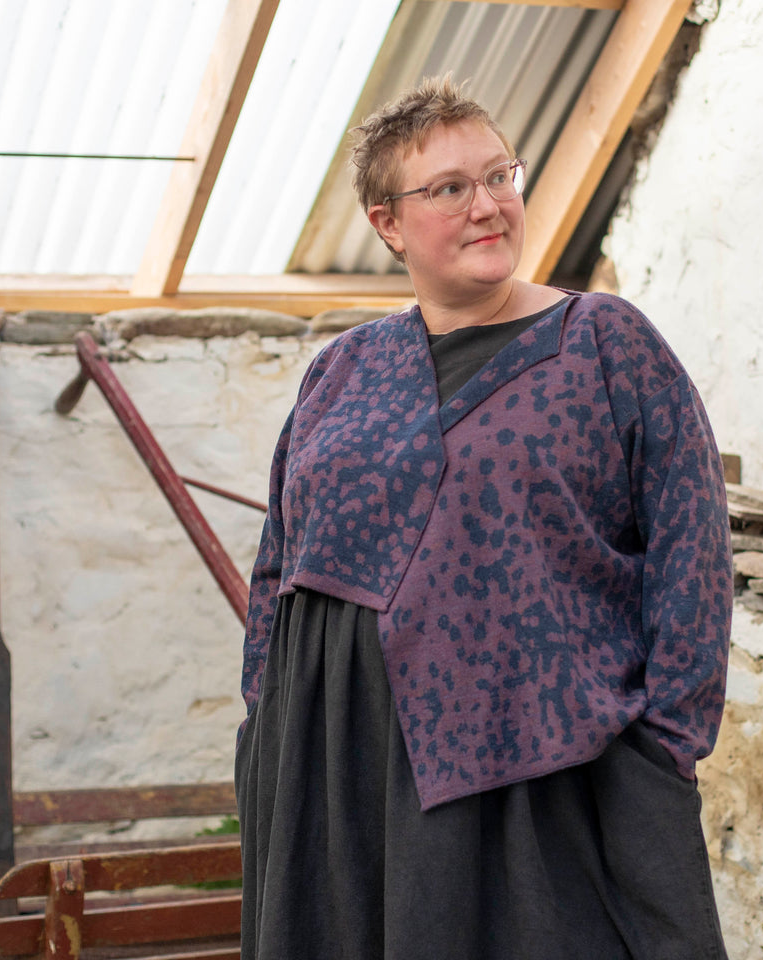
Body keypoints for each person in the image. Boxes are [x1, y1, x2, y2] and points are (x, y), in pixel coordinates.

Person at [236, 76, 733, 960]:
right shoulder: (341, 371)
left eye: (499, 175)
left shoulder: (606, 343)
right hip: (335, 772)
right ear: (388, 223)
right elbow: (280, 558)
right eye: (450, 189)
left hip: (535, 770)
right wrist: (265, 716)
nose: (489, 205)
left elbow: (692, 549)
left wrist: (667, 745)